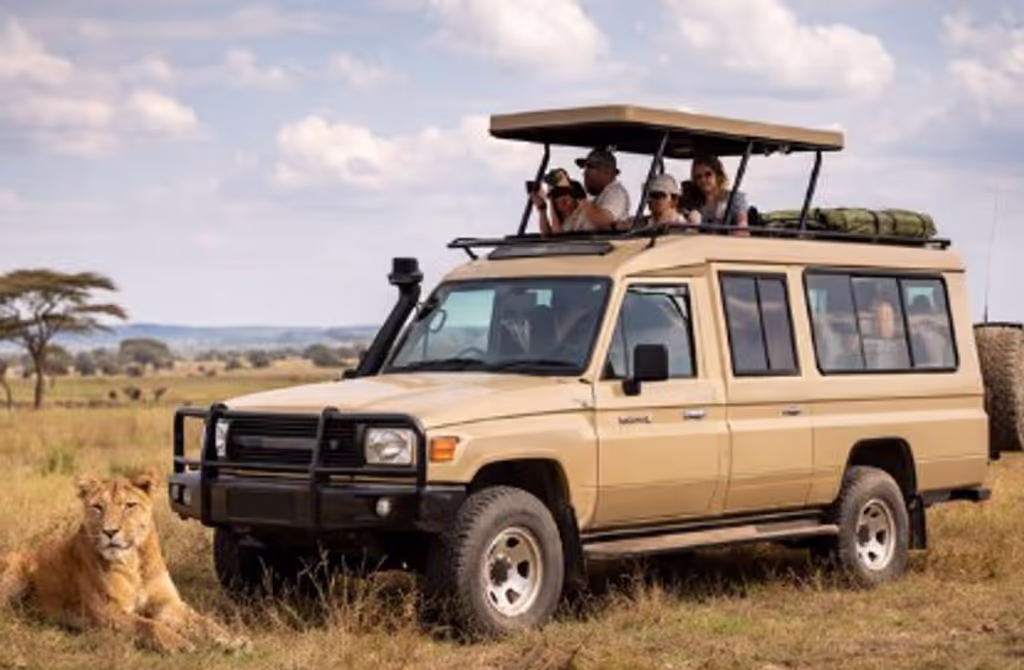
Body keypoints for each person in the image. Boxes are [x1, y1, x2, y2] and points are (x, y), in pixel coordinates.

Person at [573, 148, 631, 231]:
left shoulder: (616, 192)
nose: (584, 173)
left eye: (590, 168)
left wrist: (581, 198)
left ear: (607, 171)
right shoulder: (600, 197)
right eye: (585, 169)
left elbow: (602, 221)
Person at [691, 154, 749, 235]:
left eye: (708, 174)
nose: (703, 180)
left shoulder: (734, 198)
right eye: (699, 177)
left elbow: (743, 227)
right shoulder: (694, 203)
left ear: (718, 175)